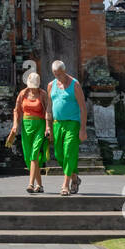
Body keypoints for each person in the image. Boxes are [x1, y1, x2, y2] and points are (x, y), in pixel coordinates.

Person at [6, 71, 52, 193]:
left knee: (34, 154)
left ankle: (30, 184)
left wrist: (48, 127)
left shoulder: (43, 94)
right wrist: (15, 126)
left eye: (34, 86)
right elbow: (16, 110)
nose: (32, 89)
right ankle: (40, 186)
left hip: (40, 126)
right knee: (28, 157)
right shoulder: (23, 93)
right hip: (26, 126)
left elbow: (48, 111)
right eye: (31, 86)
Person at [48, 60, 86, 195]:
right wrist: (48, 126)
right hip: (57, 123)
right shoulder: (51, 85)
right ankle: (75, 178)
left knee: (69, 152)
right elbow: (48, 107)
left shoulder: (75, 85)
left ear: (64, 71)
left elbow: (83, 108)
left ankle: (66, 185)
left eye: (59, 74)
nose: (57, 76)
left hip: (73, 123)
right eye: (55, 74)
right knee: (59, 154)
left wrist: (82, 129)